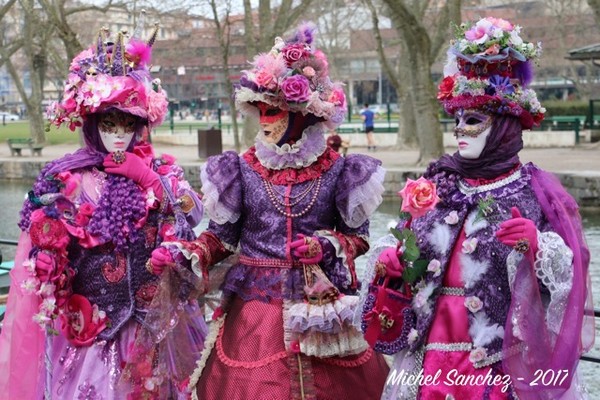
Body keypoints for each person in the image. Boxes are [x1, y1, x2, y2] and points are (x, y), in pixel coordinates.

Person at [151, 23, 390, 399]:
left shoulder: (341, 169)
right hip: (255, 309)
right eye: (260, 111)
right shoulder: (239, 169)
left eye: (274, 111)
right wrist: (189, 252)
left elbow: (358, 238)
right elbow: (221, 238)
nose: (265, 121)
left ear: (302, 115)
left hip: (319, 305)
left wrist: (325, 247)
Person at [362, 17, 594, 399]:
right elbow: (401, 238)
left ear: (504, 125)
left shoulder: (534, 191)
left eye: (473, 120)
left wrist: (537, 245)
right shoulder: (439, 182)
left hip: (501, 364)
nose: (459, 130)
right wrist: (391, 255)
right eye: (456, 119)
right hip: (429, 355)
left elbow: (571, 276)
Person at [0, 25, 207, 399]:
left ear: (140, 126)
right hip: (95, 331)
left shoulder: (161, 172)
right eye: (108, 123)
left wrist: (150, 181)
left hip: (154, 328)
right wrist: (48, 261)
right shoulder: (68, 177)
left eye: (127, 124)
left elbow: (193, 216)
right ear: (91, 124)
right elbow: (44, 244)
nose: (117, 134)